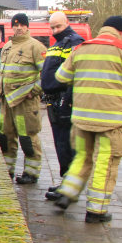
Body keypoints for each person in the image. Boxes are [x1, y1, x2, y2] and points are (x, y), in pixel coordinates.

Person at [52, 16, 122, 222]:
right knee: (105, 162)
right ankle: (96, 211)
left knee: (82, 158)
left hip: (80, 119)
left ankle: (67, 193)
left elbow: (61, 77)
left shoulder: (81, 49)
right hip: (110, 121)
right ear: (121, 32)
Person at [0, 13, 47, 184]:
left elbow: (46, 74)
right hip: (6, 100)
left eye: (21, 25)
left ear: (27, 27)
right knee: (6, 137)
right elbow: (1, 72)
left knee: (28, 137)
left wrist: (35, 91)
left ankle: (31, 173)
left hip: (25, 101)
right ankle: (7, 170)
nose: (18, 28)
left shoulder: (35, 47)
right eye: (15, 25)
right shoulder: (7, 47)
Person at [41, 12, 85, 199]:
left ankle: (69, 188)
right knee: (60, 143)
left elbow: (77, 73)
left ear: (67, 23)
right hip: (55, 99)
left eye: (58, 27)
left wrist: (68, 100)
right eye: (52, 27)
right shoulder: (58, 43)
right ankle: (64, 182)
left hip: (65, 100)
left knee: (67, 144)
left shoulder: (75, 42)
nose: (54, 31)